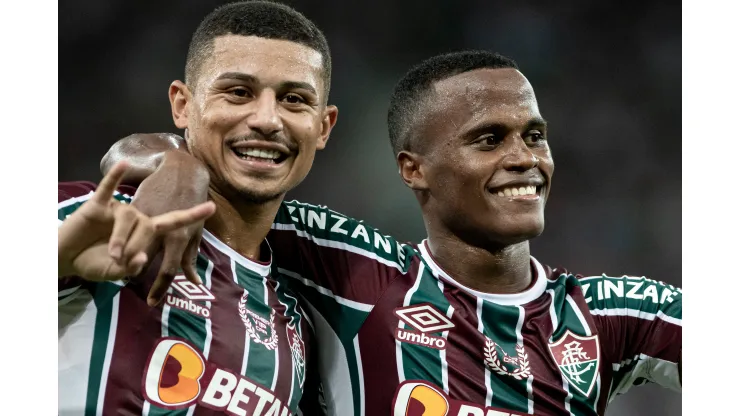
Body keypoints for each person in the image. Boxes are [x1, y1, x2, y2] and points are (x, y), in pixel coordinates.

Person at [103, 52, 682, 415]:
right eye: (489, 140)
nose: (524, 158)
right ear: (414, 168)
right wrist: (179, 163)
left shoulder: (608, 314)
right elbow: (218, 181)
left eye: (534, 135)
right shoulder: (351, 270)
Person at [59, 2, 339, 414]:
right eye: (238, 92)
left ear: (323, 127)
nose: (266, 119)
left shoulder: (297, 323)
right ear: (182, 105)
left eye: (294, 99)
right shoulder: (107, 216)